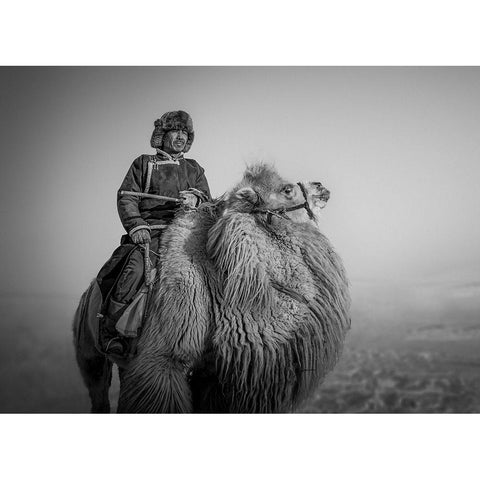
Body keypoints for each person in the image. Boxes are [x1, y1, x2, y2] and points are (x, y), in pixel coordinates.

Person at [96, 110, 211, 356]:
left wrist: (195, 199)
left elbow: (208, 202)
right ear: (163, 134)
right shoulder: (143, 163)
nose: (180, 137)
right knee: (135, 270)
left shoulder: (194, 169)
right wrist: (137, 226)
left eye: (185, 132)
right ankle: (112, 332)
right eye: (175, 131)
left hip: (185, 236)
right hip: (150, 235)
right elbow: (126, 197)